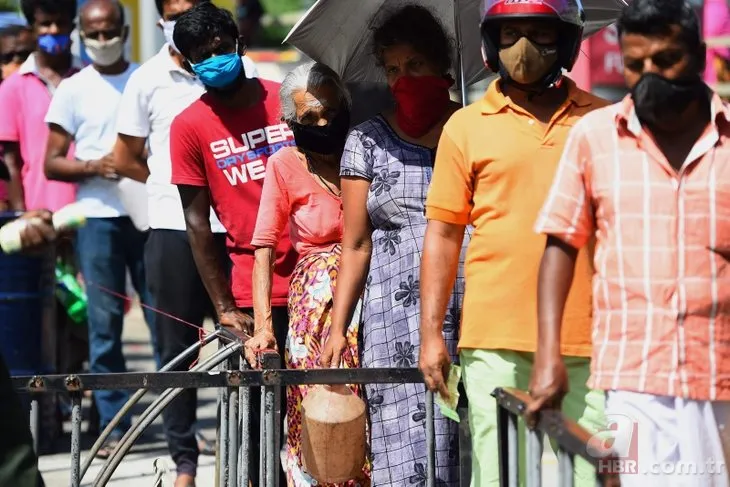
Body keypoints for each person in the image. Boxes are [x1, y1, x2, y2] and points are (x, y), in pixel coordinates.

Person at [530, 0, 730, 484]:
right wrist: (549, 355)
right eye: (636, 65)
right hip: (632, 379)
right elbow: (561, 244)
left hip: (721, 377)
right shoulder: (595, 138)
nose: (649, 76)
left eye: (665, 61)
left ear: (699, 56)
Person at [418, 0, 609, 485]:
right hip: (494, 339)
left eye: (539, 33)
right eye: (509, 35)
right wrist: (431, 334)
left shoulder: (606, 121)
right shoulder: (465, 126)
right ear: (490, 43)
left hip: (593, 338)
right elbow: (443, 235)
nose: (523, 48)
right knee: (502, 474)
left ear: (566, 41)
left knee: (594, 473)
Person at [319, 5, 467, 486]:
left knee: (466, 440)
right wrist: (339, 326)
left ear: (442, 67)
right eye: (393, 69)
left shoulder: (473, 130)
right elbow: (356, 242)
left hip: (466, 305)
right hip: (392, 319)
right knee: (400, 448)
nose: (403, 78)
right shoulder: (366, 140)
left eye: (415, 66)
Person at [112, 0, 258, 483]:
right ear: (163, 24)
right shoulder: (146, 78)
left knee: (244, 342)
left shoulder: (247, 71)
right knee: (176, 348)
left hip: (237, 233)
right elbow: (126, 155)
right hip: (176, 226)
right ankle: (184, 460)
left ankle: (244, 449)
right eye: (173, 14)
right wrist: (173, 181)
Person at [168, 3, 296, 485]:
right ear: (186, 63)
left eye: (222, 48)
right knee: (260, 427)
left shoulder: (287, 97)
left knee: (323, 414)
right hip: (252, 290)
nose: (215, 59)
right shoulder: (189, 126)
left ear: (238, 40)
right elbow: (197, 223)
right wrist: (223, 306)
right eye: (202, 55)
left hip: (315, 281)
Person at [41, 0, 158, 458]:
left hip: (149, 213)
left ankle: (174, 421)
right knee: (104, 324)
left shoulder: (145, 78)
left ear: (124, 31)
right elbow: (51, 161)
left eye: (110, 32)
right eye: (94, 34)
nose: (103, 41)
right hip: (97, 216)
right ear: (81, 34)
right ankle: (113, 425)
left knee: (160, 318)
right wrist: (95, 165)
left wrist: (138, 165)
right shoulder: (74, 88)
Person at [250, 62, 366, 486]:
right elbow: (262, 246)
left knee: (371, 404)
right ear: (290, 122)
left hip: (371, 301)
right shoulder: (284, 164)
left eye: (330, 114)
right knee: (317, 406)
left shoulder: (365, 150)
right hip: (312, 312)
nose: (322, 124)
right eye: (310, 118)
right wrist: (264, 327)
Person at [0, 0, 79, 212]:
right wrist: (22, 215)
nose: (53, 30)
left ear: (72, 26)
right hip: (40, 213)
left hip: (94, 210)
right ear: (31, 29)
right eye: (45, 24)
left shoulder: (92, 78)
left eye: (60, 23)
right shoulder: (12, 87)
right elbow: (10, 163)